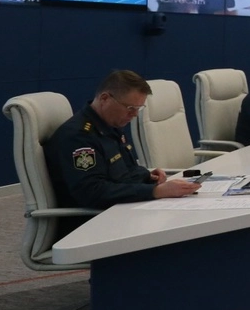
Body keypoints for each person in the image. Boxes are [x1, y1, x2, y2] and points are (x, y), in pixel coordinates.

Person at [45, 70, 199, 214]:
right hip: (96, 219)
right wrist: (155, 191)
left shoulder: (109, 125)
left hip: (121, 208)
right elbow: (92, 192)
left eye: (138, 108)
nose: (135, 114)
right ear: (105, 99)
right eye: (130, 108)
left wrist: (146, 176)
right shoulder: (79, 137)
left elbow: (123, 173)